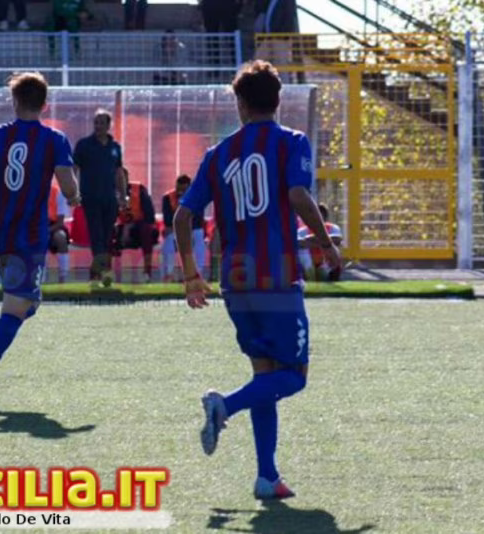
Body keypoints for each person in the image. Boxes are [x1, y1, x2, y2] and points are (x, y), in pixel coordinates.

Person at [174, 60, 341, 500]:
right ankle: (224, 406)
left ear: (241, 104)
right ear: (278, 100)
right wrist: (326, 243)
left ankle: (267, 476)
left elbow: (183, 216)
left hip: (235, 280)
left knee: (264, 374)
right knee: (295, 376)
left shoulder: (218, 154)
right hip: (277, 276)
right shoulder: (291, 142)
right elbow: (298, 195)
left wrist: (191, 275)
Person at [0, 71, 79, 409]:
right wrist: (75, 196)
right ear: (45, 104)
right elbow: (68, 187)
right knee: (18, 307)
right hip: (28, 235)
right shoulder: (54, 139)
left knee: (27, 303)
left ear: (14, 101)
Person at [74, 109, 127, 286]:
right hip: (90, 197)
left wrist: (123, 195)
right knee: (96, 235)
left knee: (106, 236)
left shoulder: (115, 147)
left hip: (110, 199)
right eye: (96, 122)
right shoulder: (84, 145)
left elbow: (119, 173)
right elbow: (74, 169)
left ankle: (97, 274)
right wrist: (73, 192)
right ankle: (103, 272)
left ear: (108, 125)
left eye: (101, 123)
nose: (98, 126)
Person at [113, 173, 157, 282]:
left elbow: (150, 214)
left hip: (139, 228)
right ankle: (108, 273)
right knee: (108, 232)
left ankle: (147, 272)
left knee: (146, 230)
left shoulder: (139, 189)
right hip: (121, 228)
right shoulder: (111, 192)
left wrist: (132, 224)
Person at [161, 174, 205, 282]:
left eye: (183, 190)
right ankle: (169, 274)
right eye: (178, 189)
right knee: (168, 241)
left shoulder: (197, 198)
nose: (180, 192)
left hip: (192, 230)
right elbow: (167, 220)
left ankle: (198, 272)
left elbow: (198, 220)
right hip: (175, 231)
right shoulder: (167, 198)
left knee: (199, 236)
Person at [298, 202, 343, 281]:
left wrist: (310, 240)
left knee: (335, 248)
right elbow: (299, 242)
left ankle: (328, 274)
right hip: (310, 261)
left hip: (326, 261)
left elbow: (337, 239)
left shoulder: (333, 228)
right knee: (301, 251)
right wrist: (323, 241)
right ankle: (310, 274)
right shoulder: (302, 230)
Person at [48, 182, 70, 283]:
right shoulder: (32, 191)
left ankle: (63, 277)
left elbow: (60, 222)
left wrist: (47, 231)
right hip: (36, 226)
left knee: (61, 237)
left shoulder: (58, 192)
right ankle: (39, 277)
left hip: (53, 226)